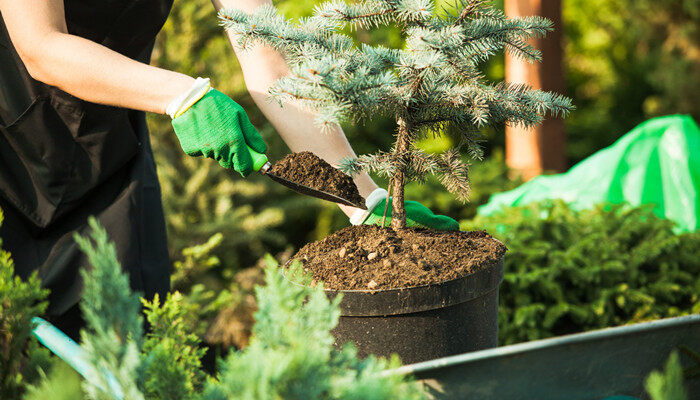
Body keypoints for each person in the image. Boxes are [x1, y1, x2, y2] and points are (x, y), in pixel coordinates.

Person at [0, 0, 458, 339]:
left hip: (109, 142)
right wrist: (180, 95)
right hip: (9, 148)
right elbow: (41, 45)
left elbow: (270, 60)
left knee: (127, 333)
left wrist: (363, 199)